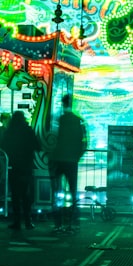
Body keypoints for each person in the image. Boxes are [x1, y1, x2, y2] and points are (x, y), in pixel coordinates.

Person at [49, 93, 86, 233]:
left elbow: (51, 139)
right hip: (72, 162)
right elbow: (84, 142)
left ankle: (58, 222)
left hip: (58, 160)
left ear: (62, 104)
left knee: (57, 192)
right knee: (73, 192)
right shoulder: (79, 121)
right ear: (72, 104)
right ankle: (73, 221)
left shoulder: (58, 120)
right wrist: (77, 156)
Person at [1, 110, 40, 231]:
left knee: (15, 195)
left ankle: (16, 221)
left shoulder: (10, 132)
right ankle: (28, 221)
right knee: (26, 195)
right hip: (26, 167)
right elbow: (38, 146)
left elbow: (3, 146)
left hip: (13, 167)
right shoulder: (28, 130)